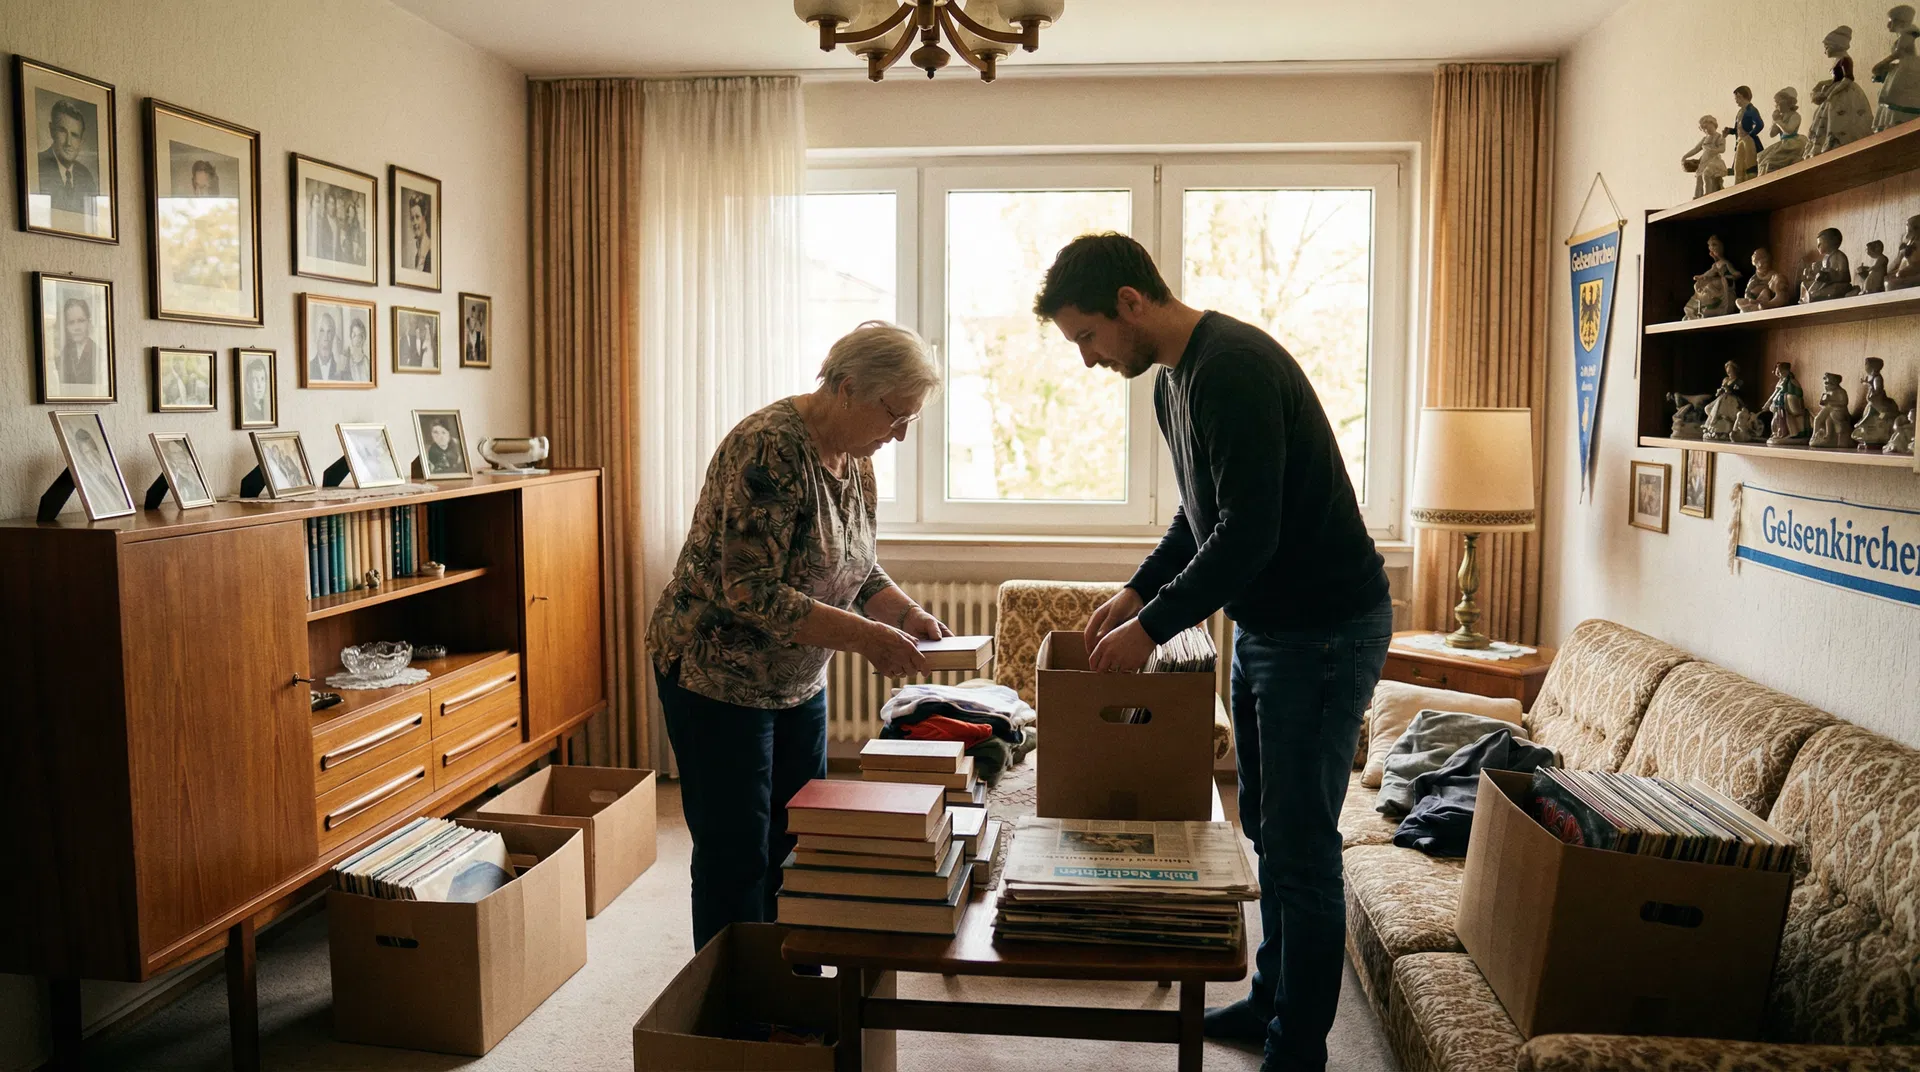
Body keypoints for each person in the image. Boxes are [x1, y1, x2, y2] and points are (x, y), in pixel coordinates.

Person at [1034, 233, 1391, 1072]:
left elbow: (1249, 534)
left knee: (1301, 846)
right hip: (1270, 629)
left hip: (1327, 630)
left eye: (1086, 337)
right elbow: (1201, 518)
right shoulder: (1172, 385)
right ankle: (1271, 1001)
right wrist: (1134, 589)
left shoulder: (1230, 367)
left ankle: (1297, 1051)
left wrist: (1151, 627)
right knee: (1263, 826)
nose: (1086, 361)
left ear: (1130, 303)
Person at [646, 320, 950, 951]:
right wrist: (866, 639)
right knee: (737, 851)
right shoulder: (769, 449)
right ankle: (737, 1006)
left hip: (796, 677)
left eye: (909, 422)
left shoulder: (856, 461)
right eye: (895, 415)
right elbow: (750, 589)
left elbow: (854, 561)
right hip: (717, 674)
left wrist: (904, 612)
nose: (897, 435)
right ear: (845, 388)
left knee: (798, 836)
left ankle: (790, 980)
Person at [37, 98, 98, 219]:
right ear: (51, 130)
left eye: (75, 135)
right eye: (62, 131)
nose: (68, 143)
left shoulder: (86, 177)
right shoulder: (36, 166)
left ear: (81, 141)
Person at [54, 295, 100, 391]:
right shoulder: (63, 355)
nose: (76, 328)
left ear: (88, 322)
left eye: (81, 321)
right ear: (66, 326)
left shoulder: (99, 353)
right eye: (71, 322)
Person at [308, 312, 345, 382]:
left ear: (334, 335)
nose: (325, 337)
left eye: (329, 331)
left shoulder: (340, 370)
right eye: (322, 331)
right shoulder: (308, 368)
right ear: (316, 335)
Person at [405, 194, 432, 272]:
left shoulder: (430, 250)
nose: (414, 222)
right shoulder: (417, 255)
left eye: (417, 217)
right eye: (412, 218)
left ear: (424, 218)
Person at [243, 358, 272, 424]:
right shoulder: (247, 412)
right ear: (247, 385)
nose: (260, 386)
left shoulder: (267, 408)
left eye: (262, 379)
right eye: (255, 380)